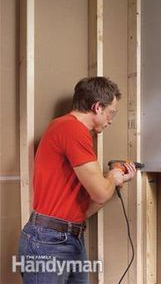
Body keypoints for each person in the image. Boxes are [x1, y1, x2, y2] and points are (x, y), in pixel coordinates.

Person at [18, 77, 137, 284]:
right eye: (112, 112)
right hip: (49, 242)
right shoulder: (71, 129)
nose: (111, 120)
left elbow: (86, 206)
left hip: (69, 236)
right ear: (97, 107)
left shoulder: (67, 130)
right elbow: (100, 192)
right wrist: (111, 176)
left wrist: (116, 181)